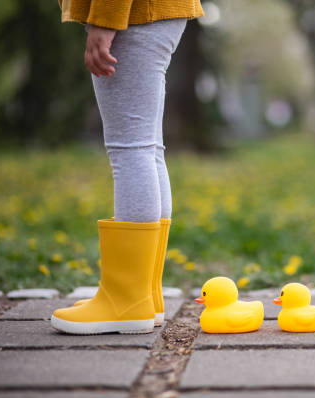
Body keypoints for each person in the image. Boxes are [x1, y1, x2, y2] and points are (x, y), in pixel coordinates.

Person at [50, 0, 204, 334]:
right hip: (146, 14)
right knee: (147, 149)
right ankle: (144, 296)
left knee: (131, 149)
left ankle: (125, 301)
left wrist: (105, 21)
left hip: (132, 16)